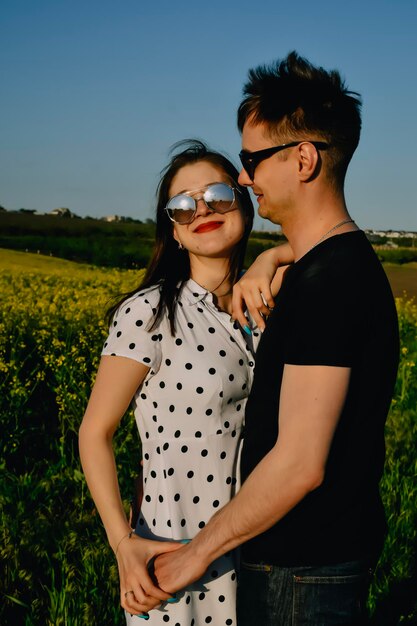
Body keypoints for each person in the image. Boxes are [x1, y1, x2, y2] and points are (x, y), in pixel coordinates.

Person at [152, 52, 400, 625]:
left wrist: (196, 555)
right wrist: (272, 255)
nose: (244, 178)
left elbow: (299, 464)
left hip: (302, 570)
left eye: (252, 159)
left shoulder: (330, 286)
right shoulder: (331, 267)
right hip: (310, 562)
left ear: (305, 158)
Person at [79, 140, 291, 625]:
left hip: (262, 549)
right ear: (172, 232)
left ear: (243, 204)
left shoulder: (269, 306)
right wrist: (122, 543)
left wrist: (269, 258)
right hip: (173, 548)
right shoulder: (150, 312)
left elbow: (333, 245)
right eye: (181, 206)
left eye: (217, 194)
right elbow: (94, 433)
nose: (201, 210)